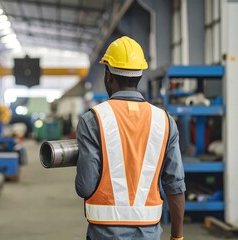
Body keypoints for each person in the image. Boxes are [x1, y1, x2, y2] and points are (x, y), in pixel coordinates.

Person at [75, 36, 185, 240]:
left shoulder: (93, 120)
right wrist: (177, 237)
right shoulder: (164, 120)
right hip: (149, 234)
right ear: (140, 75)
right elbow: (175, 184)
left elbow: (85, 186)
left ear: (108, 75)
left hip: (103, 234)